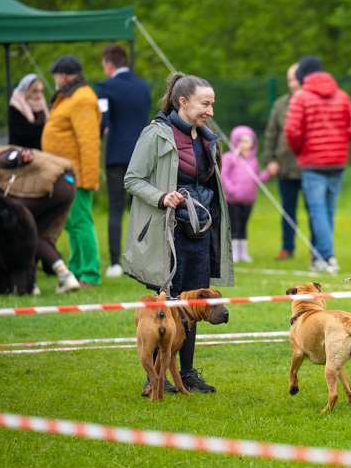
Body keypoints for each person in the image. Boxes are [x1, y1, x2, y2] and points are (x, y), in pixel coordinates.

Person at [123, 72, 233, 394]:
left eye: (212, 104)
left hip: (199, 234)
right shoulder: (155, 134)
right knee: (165, 306)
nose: (210, 111)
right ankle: (153, 378)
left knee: (193, 306)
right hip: (166, 234)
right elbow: (132, 179)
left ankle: (187, 374)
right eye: (205, 104)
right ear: (182, 102)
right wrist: (161, 196)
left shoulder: (207, 138)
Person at [0, 144, 81, 293]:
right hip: (68, 183)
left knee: (1, 228)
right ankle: (65, 276)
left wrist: (20, 156)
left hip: (53, 184)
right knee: (35, 234)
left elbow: (13, 157)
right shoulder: (1, 160)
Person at [284, 56, 351, 273]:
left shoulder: (301, 97)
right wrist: (339, 142)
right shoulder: (342, 96)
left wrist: (300, 150)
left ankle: (327, 256)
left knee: (318, 211)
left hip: (313, 163)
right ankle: (319, 257)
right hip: (337, 162)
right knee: (328, 211)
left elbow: (291, 131)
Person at [41, 55, 102, 287]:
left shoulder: (82, 98)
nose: (55, 79)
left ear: (64, 76)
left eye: (56, 75)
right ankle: (77, 270)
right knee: (72, 223)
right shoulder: (71, 96)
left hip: (77, 177)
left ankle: (90, 274)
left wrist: (89, 178)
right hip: (65, 175)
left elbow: (89, 142)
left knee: (80, 222)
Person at [94, 43, 152, 279]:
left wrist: (99, 136)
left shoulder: (105, 87)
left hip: (117, 156)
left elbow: (102, 121)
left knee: (116, 209)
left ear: (109, 63)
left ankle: (116, 263)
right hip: (143, 154)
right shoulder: (143, 86)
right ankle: (143, 261)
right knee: (143, 209)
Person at [262, 63, 308, 260]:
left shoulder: (313, 104)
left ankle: (317, 251)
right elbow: (271, 133)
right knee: (288, 211)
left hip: (309, 169)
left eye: (295, 79)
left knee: (314, 211)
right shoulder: (280, 104)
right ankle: (287, 248)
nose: (292, 84)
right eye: (289, 80)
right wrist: (269, 160)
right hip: (284, 168)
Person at [221, 125, 272, 262]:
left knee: (243, 225)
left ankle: (243, 252)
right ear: (235, 141)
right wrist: (232, 191)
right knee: (234, 225)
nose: (245, 145)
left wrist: (268, 173)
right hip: (232, 200)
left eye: (248, 141)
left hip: (248, 200)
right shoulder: (230, 158)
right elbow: (223, 176)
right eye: (241, 141)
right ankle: (233, 252)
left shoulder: (253, 160)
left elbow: (257, 178)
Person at [7, 73, 48, 149]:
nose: (39, 95)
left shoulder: (41, 106)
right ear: (26, 91)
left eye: (41, 91)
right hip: (21, 153)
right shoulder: (16, 107)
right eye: (35, 91)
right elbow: (25, 132)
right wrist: (48, 127)